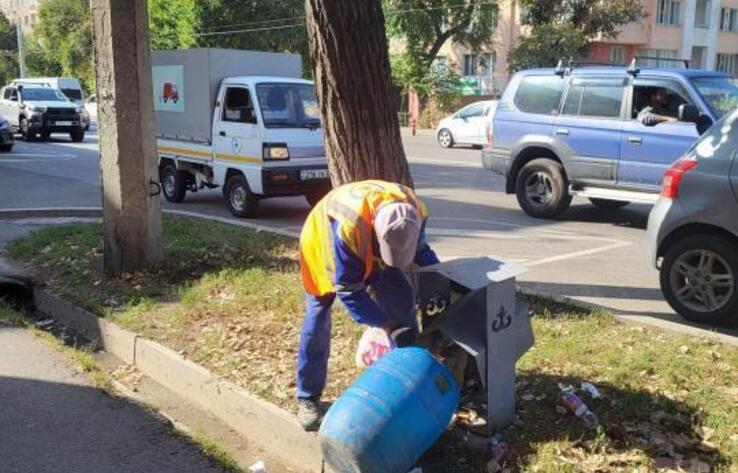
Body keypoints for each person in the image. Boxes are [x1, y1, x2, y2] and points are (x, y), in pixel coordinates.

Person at [296, 179, 440, 431]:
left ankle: (408, 375)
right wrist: (387, 325)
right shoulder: (348, 227)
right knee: (318, 317)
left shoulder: (415, 212)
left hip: (367, 244)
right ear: (375, 233)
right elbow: (349, 289)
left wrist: (444, 278)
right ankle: (307, 397)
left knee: (401, 294)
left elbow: (422, 252)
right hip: (322, 243)